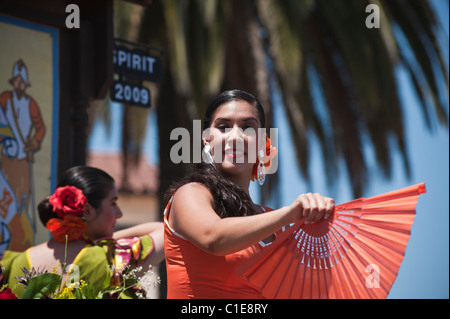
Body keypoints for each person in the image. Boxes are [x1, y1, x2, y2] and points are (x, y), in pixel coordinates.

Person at [164, 89, 335, 298]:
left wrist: (318, 224)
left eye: (248, 127)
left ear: (263, 143)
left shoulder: (279, 226)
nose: (235, 136)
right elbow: (213, 237)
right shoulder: (190, 194)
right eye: (223, 127)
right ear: (207, 139)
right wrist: (290, 214)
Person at [0, 166, 164, 298]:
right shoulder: (109, 260)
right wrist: (104, 241)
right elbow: (164, 230)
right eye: (113, 203)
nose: (119, 213)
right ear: (87, 211)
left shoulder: (15, 263)